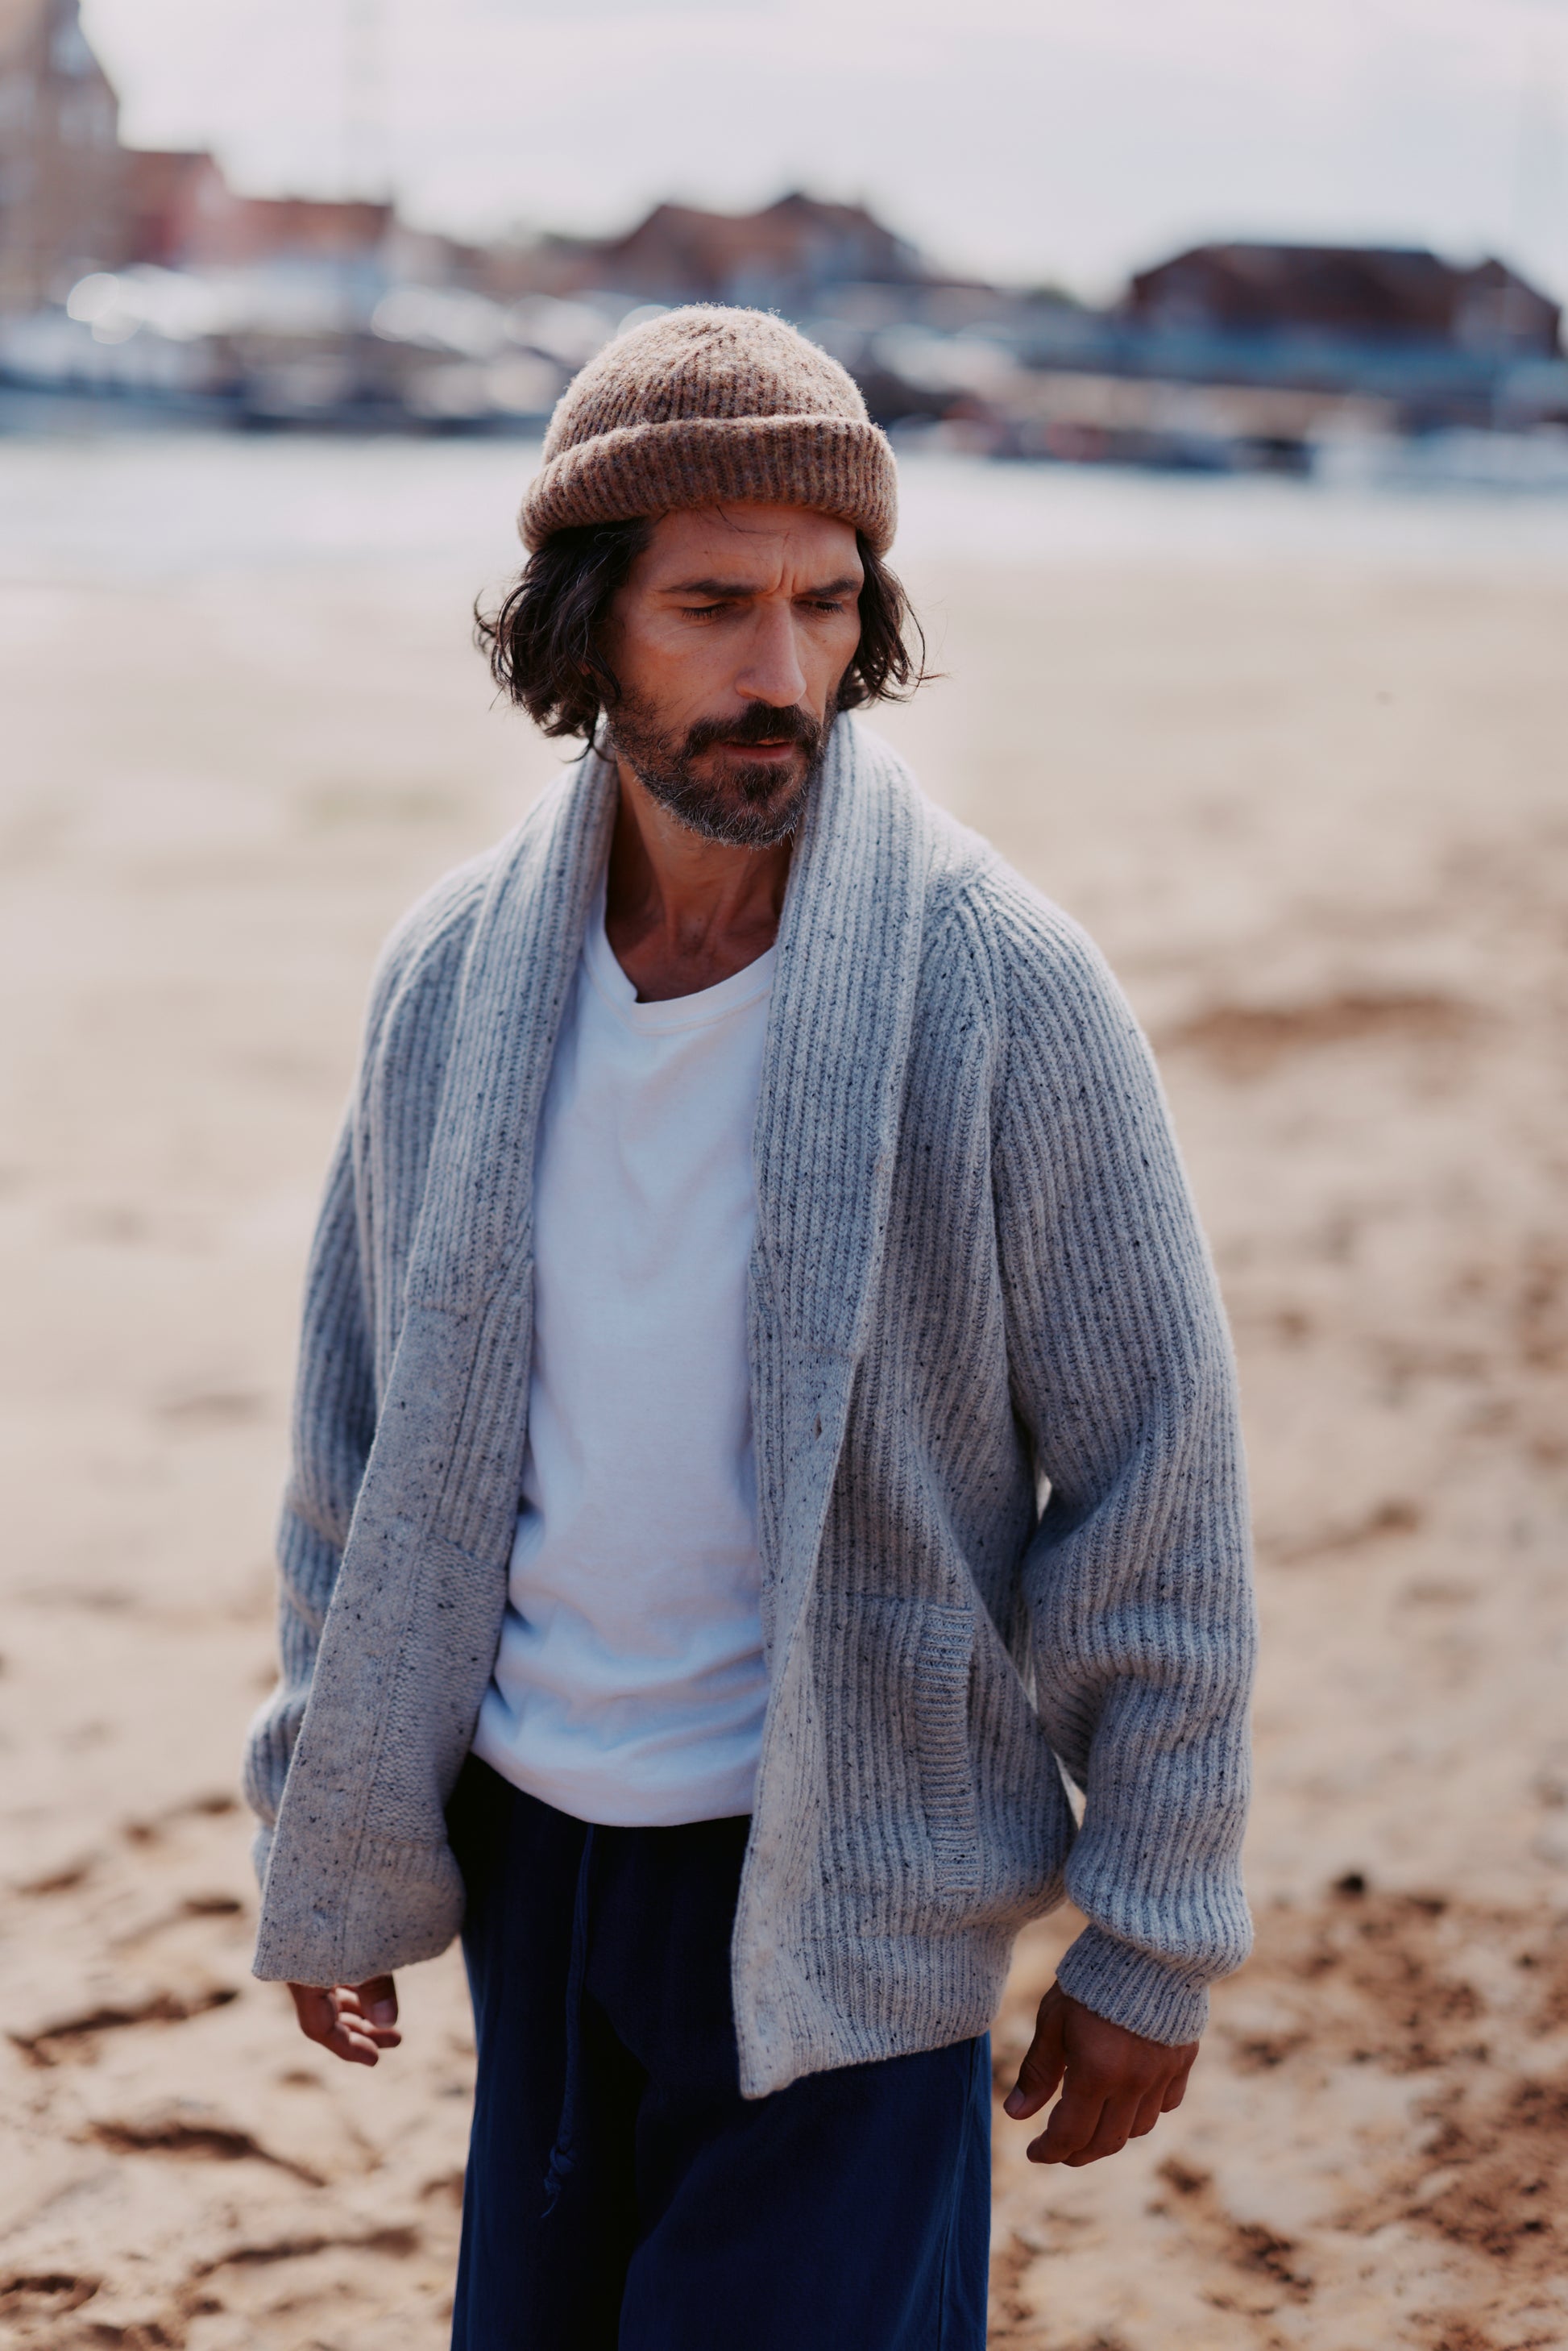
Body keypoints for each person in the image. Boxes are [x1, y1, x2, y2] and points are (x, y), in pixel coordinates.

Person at [244, 307, 1255, 2350]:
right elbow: (360, 1441)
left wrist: (1152, 1922)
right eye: (712, 606)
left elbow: (1157, 1478)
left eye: (824, 603)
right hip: (542, 1858)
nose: (779, 672)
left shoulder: (1002, 993)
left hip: (855, 1884)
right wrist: (328, 1823)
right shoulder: (451, 975)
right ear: (583, 622)